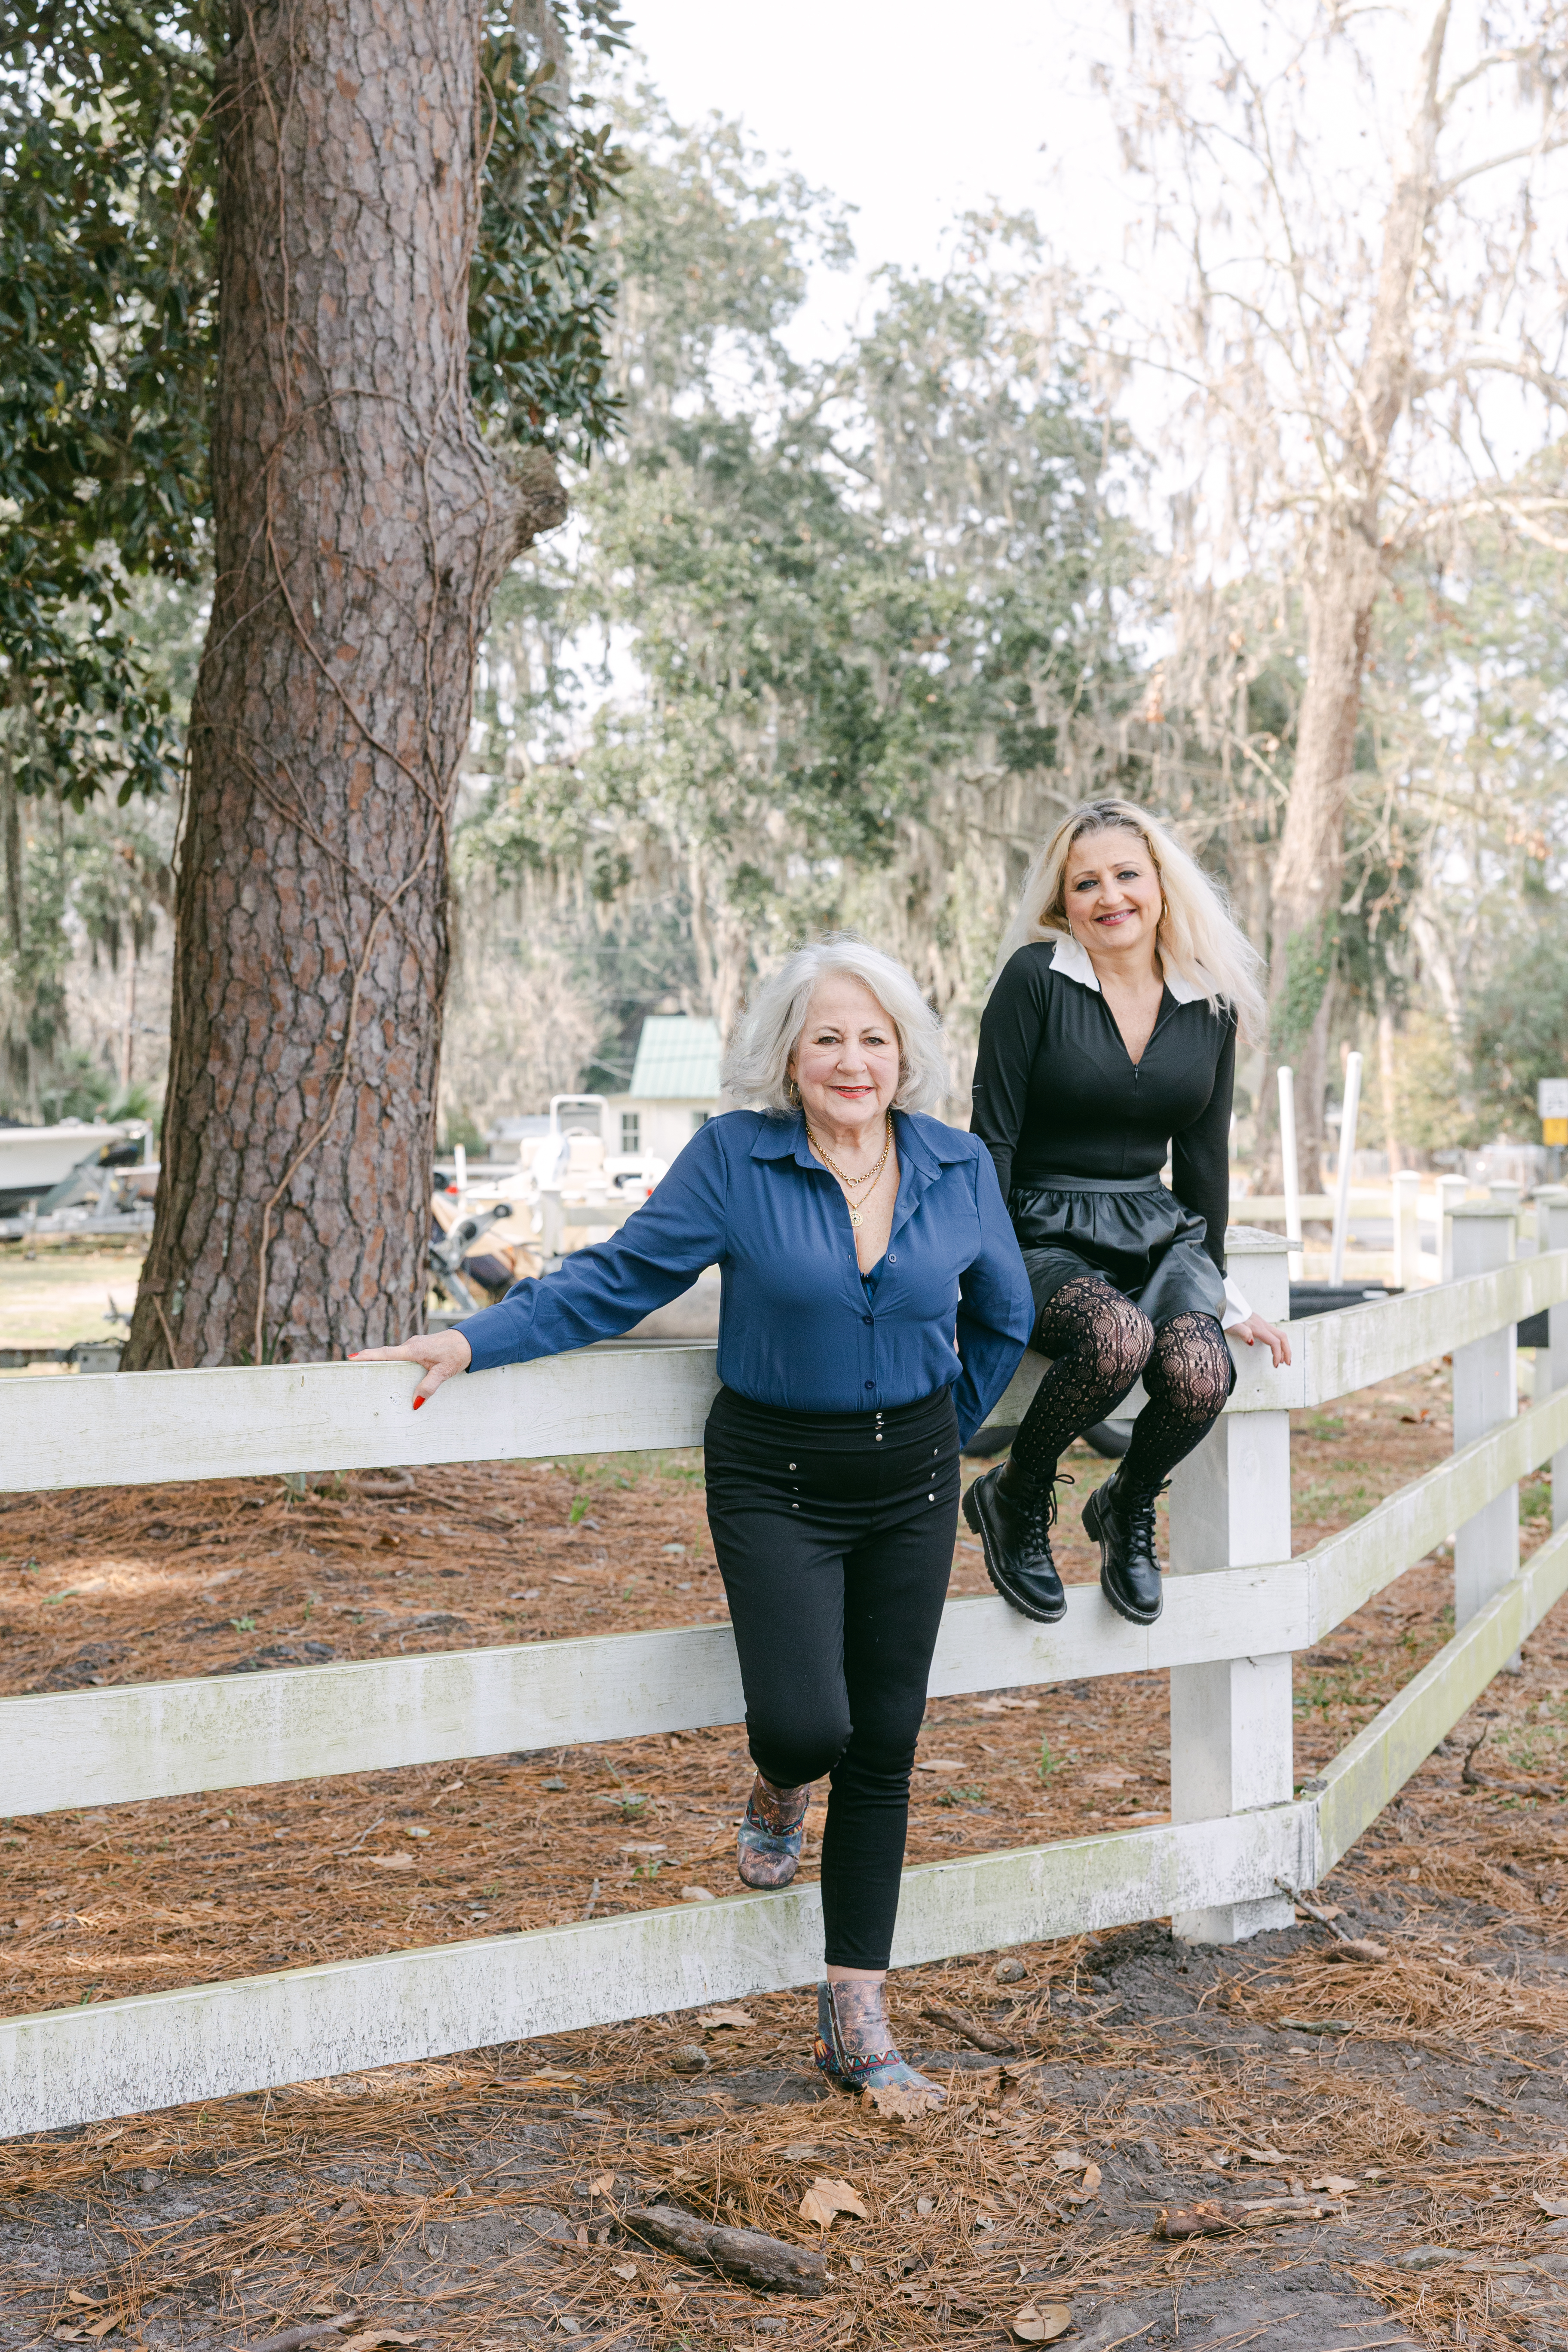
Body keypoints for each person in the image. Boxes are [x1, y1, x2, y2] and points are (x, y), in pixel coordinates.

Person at [355, 938, 1033, 2105]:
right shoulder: (734, 1158)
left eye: (873, 1038)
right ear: (787, 1052)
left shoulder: (957, 1163)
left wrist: (943, 1428)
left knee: (887, 1741)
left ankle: (858, 2020)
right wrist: (474, 1336)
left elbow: (1006, 1312)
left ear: (906, 1053)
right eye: (827, 1037)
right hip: (776, 1476)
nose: (852, 1059)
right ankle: (778, 1783)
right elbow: (617, 1278)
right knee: (807, 1723)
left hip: (913, 1479)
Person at [966, 797, 1291, 1629]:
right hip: (1037, 1230)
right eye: (1086, 883)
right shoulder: (1035, 980)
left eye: (1126, 875)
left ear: (1160, 886)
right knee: (1117, 1340)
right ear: (1062, 900)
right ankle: (1016, 1495)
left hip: (1155, 1233)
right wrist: (985, 1272)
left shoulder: (1209, 1003)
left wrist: (1222, 1293)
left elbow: (1206, 1162)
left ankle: (1127, 1504)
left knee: (1200, 1369)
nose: (1109, 896)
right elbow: (992, 1140)